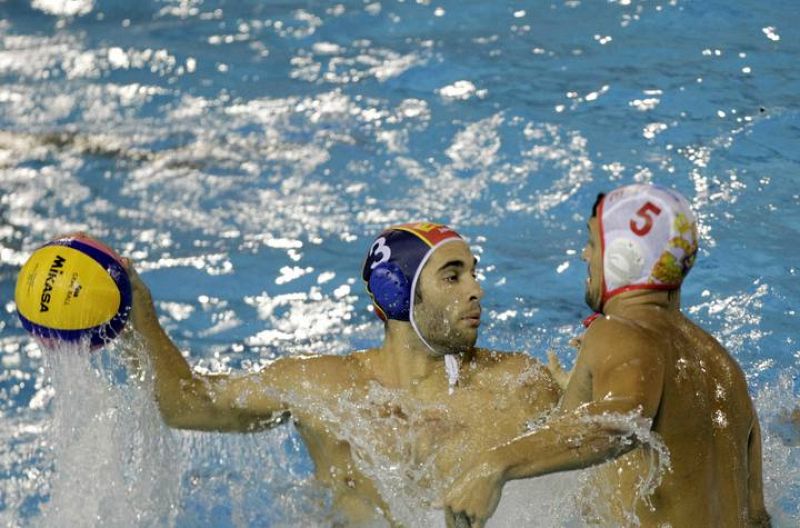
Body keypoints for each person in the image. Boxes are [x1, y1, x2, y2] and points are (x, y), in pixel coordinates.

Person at [128, 222, 561, 526]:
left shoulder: (516, 385)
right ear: (397, 292)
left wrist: (580, 397)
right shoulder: (323, 386)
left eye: (472, 272)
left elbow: (604, 444)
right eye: (453, 276)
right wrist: (138, 317)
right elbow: (186, 404)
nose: (476, 289)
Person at [445, 184, 771, 527]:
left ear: (624, 256)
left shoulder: (622, 332)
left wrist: (494, 465)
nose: (586, 256)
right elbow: (758, 518)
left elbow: (620, 426)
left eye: (592, 243)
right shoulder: (722, 364)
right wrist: (587, 394)